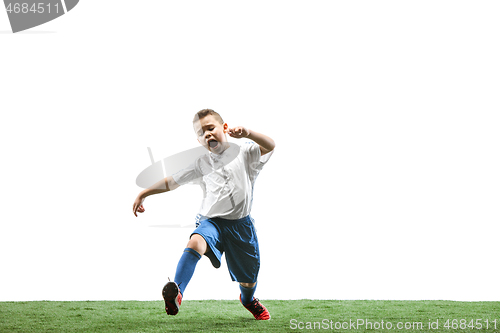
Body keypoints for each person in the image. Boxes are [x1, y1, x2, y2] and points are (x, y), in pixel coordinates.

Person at [132, 109, 275, 320]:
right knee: (195, 242)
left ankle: (247, 299)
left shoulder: (245, 153)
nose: (207, 134)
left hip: (241, 226)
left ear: (224, 128)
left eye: (210, 128)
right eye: (202, 133)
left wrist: (248, 132)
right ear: (199, 141)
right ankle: (177, 293)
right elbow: (172, 181)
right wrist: (144, 192)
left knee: (249, 280)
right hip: (212, 222)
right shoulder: (202, 164)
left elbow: (270, 145)